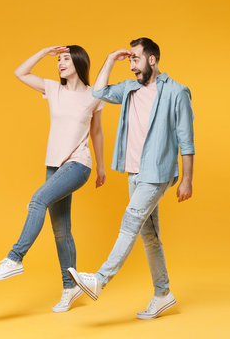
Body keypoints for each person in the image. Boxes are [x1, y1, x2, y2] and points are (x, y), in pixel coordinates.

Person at [67, 37, 195, 319]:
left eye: (135, 59)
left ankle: (99, 279)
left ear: (152, 59)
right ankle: (163, 293)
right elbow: (98, 91)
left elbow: (186, 140)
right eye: (130, 60)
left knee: (131, 220)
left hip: (158, 172)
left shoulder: (177, 92)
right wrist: (112, 58)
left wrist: (187, 179)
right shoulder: (129, 88)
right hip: (133, 171)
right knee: (149, 235)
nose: (132, 66)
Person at [0, 45, 106, 313]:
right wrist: (44, 52)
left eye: (65, 59)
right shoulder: (53, 89)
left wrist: (100, 167)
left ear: (77, 61)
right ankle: (70, 287)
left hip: (78, 164)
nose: (60, 63)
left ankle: (15, 258)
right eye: (58, 60)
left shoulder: (93, 95)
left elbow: (96, 132)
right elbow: (20, 72)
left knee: (38, 199)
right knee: (61, 230)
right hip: (54, 165)